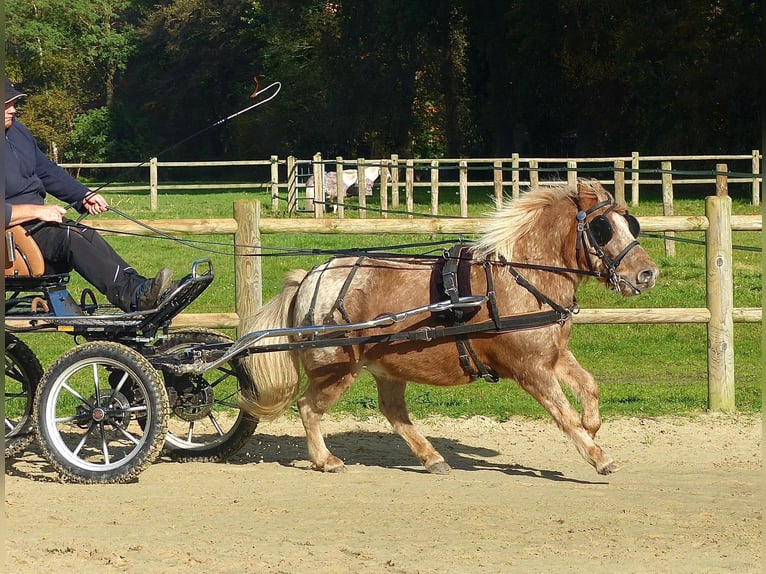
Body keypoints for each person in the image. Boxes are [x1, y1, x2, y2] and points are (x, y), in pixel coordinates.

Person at [4, 76, 175, 312]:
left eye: (13, 102)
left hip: (32, 228)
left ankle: (139, 289)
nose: (13, 109)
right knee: (71, 236)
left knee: (83, 232)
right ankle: (134, 297)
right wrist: (37, 210)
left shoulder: (18, 132)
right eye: (6, 104)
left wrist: (82, 195)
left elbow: (46, 172)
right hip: (11, 236)